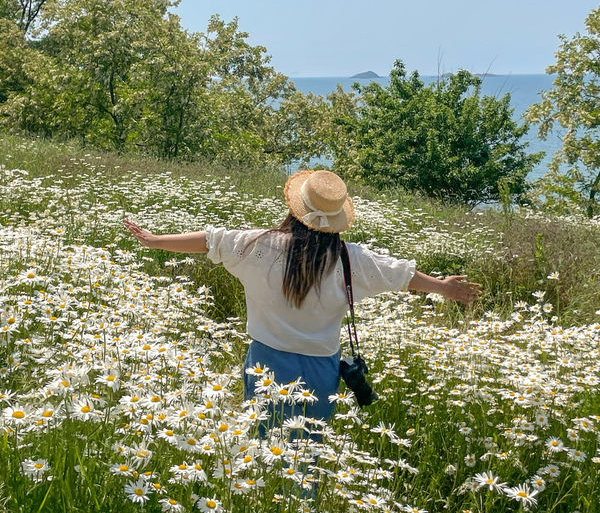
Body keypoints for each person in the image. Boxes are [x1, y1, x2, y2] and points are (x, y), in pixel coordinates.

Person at [123, 169, 482, 438]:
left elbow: (209, 241)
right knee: (305, 449)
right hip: (320, 369)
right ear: (337, 220)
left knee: (265, 444)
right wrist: (446, 288)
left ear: (296, 210)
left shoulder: (258, 245)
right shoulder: (349, 258)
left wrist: (155, 241)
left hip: (266, 362)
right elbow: (402, 275)